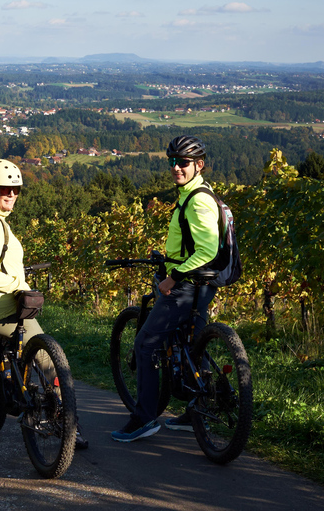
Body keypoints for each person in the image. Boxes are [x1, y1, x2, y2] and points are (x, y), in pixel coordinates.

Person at [0, 159, 87, 457]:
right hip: (0, 311)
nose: (12, 195)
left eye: (16, 190)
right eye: (5, 189)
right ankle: (68, 426)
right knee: (50, 361)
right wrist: (19, 285)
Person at [111, 135, 220, 442]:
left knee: (146, 344)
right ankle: (197, 411)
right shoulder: (196, 192)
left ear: (199, 165)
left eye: (183, 162)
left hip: (186, 285)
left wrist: (173, 277)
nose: (176, 168)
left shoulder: (197, 199)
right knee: (192, 344)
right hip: (202, 284)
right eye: (172, 161)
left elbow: (207, 250)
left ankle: (144, 419)